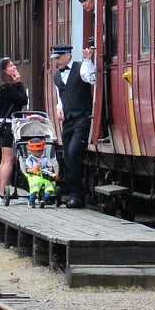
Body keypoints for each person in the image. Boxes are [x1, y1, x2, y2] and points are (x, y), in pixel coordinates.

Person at [51, 43, 95, 207]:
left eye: (58, 57)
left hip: (82, 117)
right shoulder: (57, 76)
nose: (56, 61)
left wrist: (88, 61)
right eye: (55, 58)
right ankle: (75, 195)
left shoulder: (81, 67)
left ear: (68, 55)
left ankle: (78, 196)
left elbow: (91, 79)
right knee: (68, 157)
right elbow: (60, 96)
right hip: (68, 121)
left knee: (74, 152)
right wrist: (59, 108)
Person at [0, 57, 27, 205]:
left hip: (5, 126)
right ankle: (2, 195)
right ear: (4, 71)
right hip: (9, 126)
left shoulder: (1, 87)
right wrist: (19, 83)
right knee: (9, 160)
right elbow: (23, 100)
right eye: (11, 66)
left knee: (4, 160)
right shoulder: (7, 88)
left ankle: (0, 193)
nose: (14, 67)